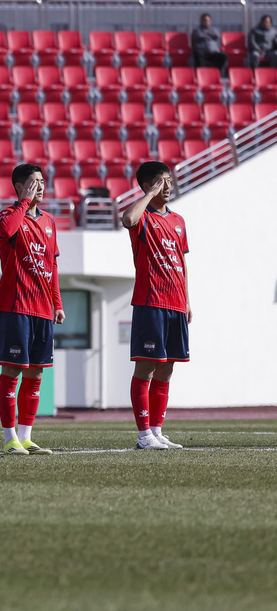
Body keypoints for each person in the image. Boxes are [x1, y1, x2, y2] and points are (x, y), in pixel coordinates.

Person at [0, 163, 65, 456]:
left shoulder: (49, 221)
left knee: (36, 375)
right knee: (12, 372)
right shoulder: (7, 216)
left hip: (42, 309)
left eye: (43, 182)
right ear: (20, 187)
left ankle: (26, 437)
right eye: (35, 182)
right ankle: (10, 438)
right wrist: (24, 202)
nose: (41, 187)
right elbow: (7, 231)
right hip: (16, 306)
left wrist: (57, 303)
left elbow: (52, 265)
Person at [120, 161, 192, 451]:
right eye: (163, 182)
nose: (169, 187)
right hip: (151, 302)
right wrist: (149, 195)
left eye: (170, 181)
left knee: (167, 370)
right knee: (146, 369)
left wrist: (187, 300)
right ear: (148, 185)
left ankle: (157, 431)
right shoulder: (143, 217)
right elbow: (127, 219)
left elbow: (182, 261)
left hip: (176, 303)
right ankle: (143, 435)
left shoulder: (178, 220)